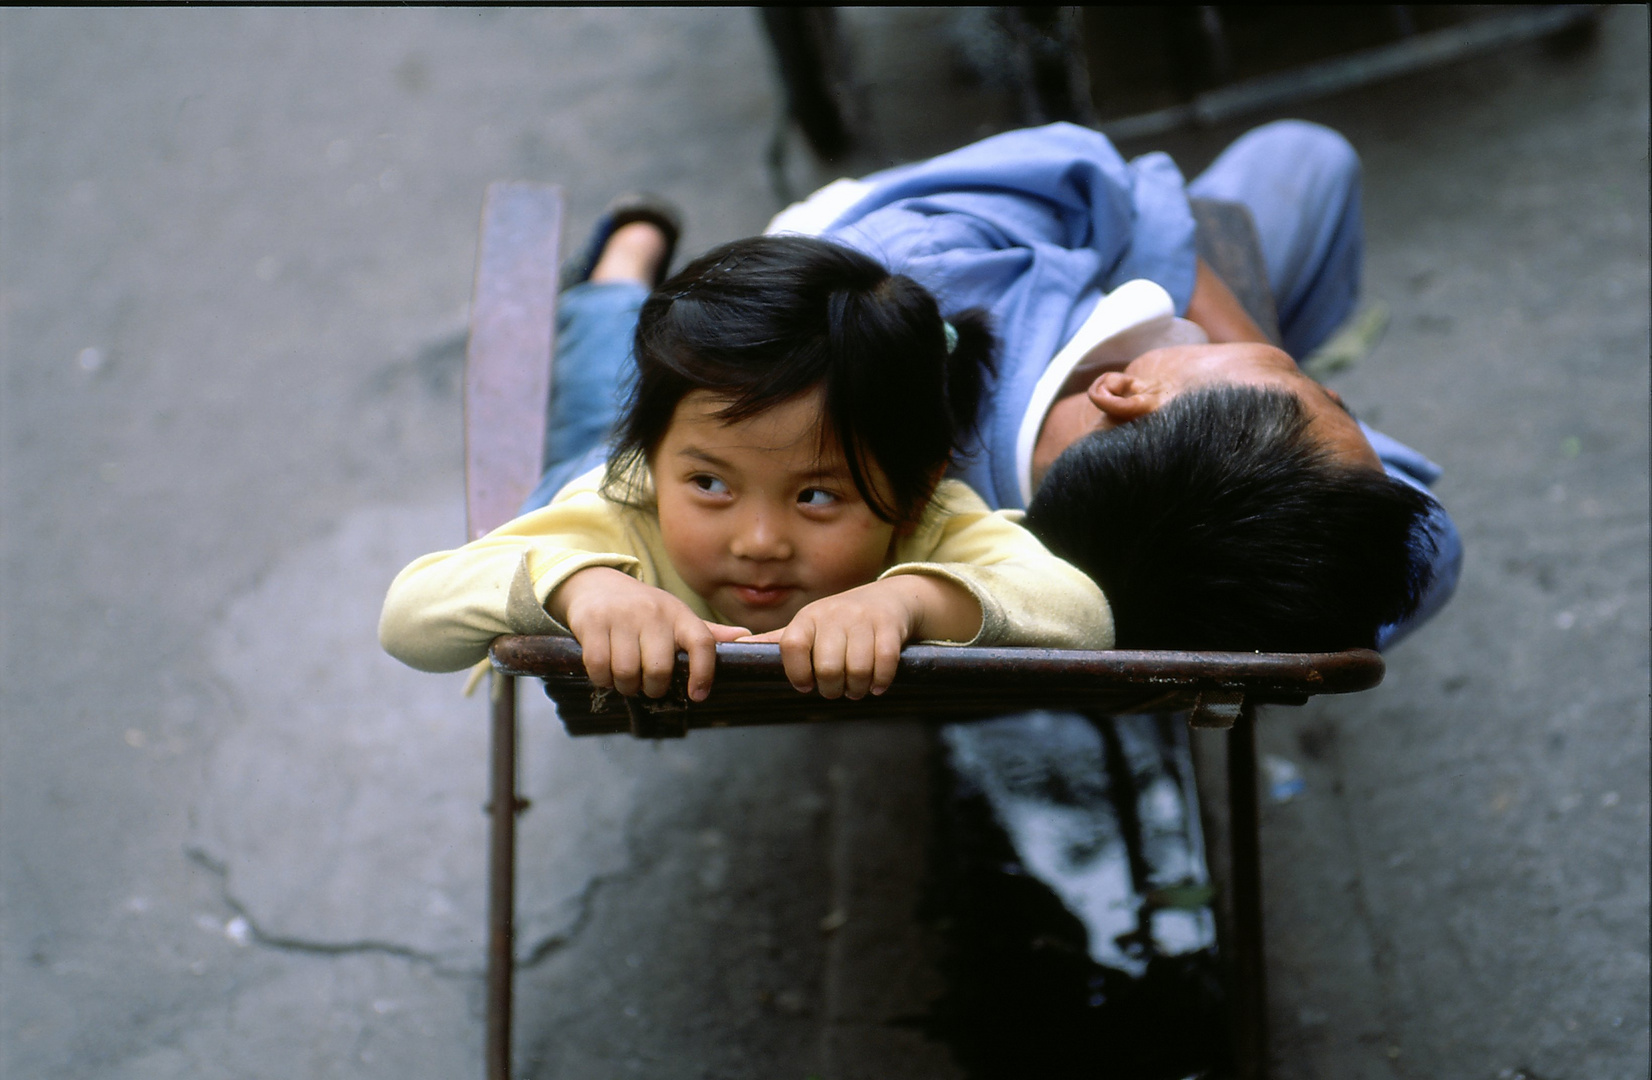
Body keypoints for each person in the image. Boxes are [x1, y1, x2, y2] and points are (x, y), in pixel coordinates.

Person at [521, 120, 1460, 656]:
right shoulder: (1119, 567)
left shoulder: (879, 330)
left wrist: (592, 580)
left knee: (667, 376)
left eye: (1314, 395)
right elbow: (1426, 551)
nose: (1292, 370)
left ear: (1130, 390)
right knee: (1311, 160)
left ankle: (619, 271)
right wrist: (1247, 340)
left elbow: (1103, 174)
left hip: (829, 267)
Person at [379, 235, 1112, 701]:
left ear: (917, 489)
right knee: (598, 378)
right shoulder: (618, 510)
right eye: (711, 487)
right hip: (591, 468)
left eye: (818, 494)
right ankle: (624, 258)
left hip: (690, 439)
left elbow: (1086, 620)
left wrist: (909, 602)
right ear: (654, 463)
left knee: (655, 387)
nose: (759, 540)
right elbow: (407, 618)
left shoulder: (932, 524)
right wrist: (581, 586)